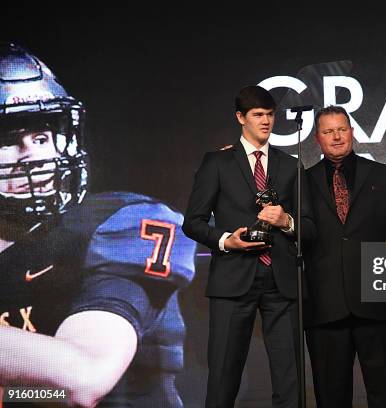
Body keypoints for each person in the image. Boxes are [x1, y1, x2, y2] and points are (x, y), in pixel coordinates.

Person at [0, 42, 196, 407]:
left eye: (42, 137)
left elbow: (82, 378)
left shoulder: (116, 225)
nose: (36, 154)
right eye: (10, 142)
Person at [182, 85, 316, 408]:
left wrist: (287, 221)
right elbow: (193, 222)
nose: (266, 122)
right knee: (223, 378)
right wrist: (227, 240)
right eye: (258, 115)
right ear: (241, 117)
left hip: (281, 280)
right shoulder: (217, 162)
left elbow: (309, 228)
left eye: (270, 115)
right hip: (233, 277)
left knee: (290, 378)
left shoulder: (290, 165)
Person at [304, 105, 386, 408]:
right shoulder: (301, 183)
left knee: (385, 394)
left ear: (352, 132)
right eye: (328, 131)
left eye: (342, 129)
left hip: (377, 303)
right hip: (323, 308)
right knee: (330, 398)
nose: (337, 136)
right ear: (317, 138)